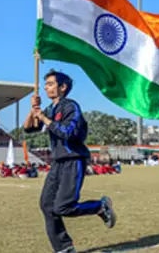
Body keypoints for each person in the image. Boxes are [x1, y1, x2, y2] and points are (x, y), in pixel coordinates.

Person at [24, 69, 116, 253]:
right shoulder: (50, 109)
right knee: (47, 205)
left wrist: (43, 117)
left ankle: (100, 206)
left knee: (64, 206)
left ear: (63, 87)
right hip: (57, 163)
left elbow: (67, 132)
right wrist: (33, 110)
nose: (46, 88)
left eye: (51, 84)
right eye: (46, 84)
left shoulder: (70, 107)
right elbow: (29, 129)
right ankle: (64, 247)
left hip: (74, 160)